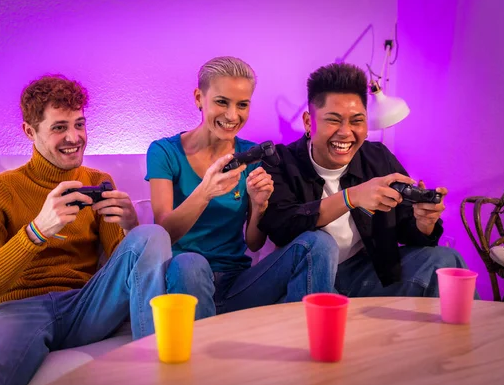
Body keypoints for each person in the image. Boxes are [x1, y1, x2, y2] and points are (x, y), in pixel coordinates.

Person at [0, 75, 171, 385]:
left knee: (152, 235)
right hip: (17, 310)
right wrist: (37, 231)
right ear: (30, 131)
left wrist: (129, 226)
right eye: (59, 127)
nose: (75, 136)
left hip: (85, 306)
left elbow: (122, 268)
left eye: (79, 124)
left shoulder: (99, 179)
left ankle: (161, 373)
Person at [146, 56, 337, 320]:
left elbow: (254, 243)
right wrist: (205, 192)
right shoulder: (164, 151)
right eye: (221, 102)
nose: (232, 115)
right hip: (185, 281)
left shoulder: (249, 154)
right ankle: (200, 352)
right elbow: (163, 232)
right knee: (190, 262)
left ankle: (304, 341)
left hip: (237, 285)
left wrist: (259, 206)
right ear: (199, 98)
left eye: (242, 105)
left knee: (318, 242)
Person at [259, 62, 472, 297]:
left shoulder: (377, 158)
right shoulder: (280, 161)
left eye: (356, 121)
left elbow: (405, 229)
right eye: (333, 120)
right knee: (319, 243)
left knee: (446, 259)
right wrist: (352, 197)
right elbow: (281, 228)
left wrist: (424, 222)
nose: (346, 132)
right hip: (307, 278)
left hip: (364, 275)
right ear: (309, 122)